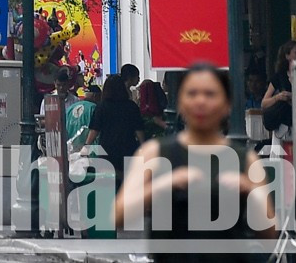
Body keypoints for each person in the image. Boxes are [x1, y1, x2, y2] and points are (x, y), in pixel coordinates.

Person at [114, 63, 272, 263]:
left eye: (210, 94)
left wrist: (249, 189)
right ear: (180, 101)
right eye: (192, 93)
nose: (201, 102)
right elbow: (119, 216)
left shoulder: (245, 158)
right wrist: (165, 184)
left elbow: (269, 233)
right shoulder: (154, 153)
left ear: (226, 104)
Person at [87, 74, 146, 183]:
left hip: (107, 149)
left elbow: (94, 130)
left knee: (108, 180)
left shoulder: (101, 107)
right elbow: (139, 129)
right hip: (128, 147)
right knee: (127, 180)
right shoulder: (131, 106)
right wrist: (143, 146)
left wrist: (86, 147)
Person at [261, 42, 296, 145]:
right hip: (283, 127)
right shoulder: (280, 77)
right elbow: (264, 103)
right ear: (287, 56)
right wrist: (278, 97)